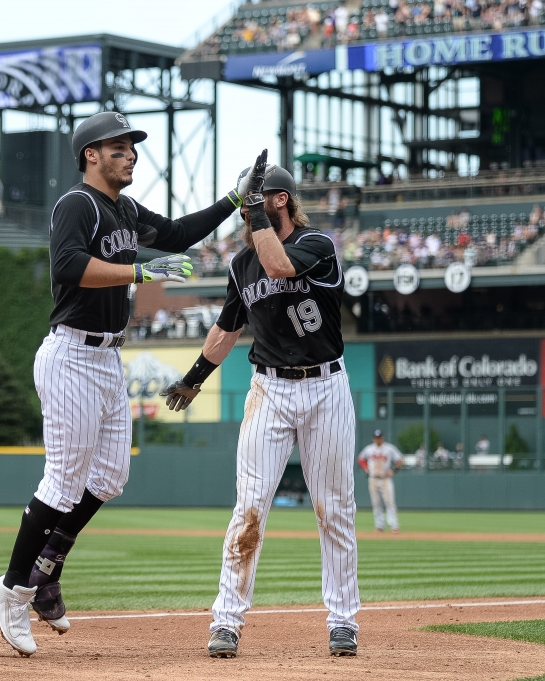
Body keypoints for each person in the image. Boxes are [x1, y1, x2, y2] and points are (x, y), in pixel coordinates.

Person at [0, 111, 243, 658]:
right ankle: (11, 589)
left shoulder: (122, 207)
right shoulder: (77, 204)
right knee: (62, 481)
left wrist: (232, 202)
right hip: (71, 351)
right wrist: (140, 272)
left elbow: (174, 234)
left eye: (131, 147)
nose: (130, 155)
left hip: (105, 358)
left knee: (110, 476)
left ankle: (46, 569)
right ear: (89, 155)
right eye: (118, 147)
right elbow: (68, 265)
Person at [160, 151, 359, 659]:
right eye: (246, 202)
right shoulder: (240, 263)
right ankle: (225, 620)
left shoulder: (318, 244)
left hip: (324, 388)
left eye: (258, 199)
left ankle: (343, 621)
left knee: (333, 507)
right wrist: (195, 378)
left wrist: (253, 209)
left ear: (281, 201)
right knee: (249, 507)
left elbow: (281, 264)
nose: (246, 211)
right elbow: (228, 329)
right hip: (269, 389)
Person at [358, 430, 403, 533]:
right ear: (373, 438)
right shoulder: (369, 449)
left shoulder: (389, 448)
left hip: (385, 479)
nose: (378, 439)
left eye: (379, 437)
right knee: (376, 504)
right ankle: (379, 526)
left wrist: (393, 470)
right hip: (373, 479)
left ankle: (394, 526)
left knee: (390, 503)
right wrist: (365, 468)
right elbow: (360, 459)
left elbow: (400, 460)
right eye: (376, 437)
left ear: (383, 438)